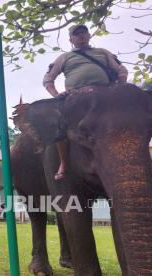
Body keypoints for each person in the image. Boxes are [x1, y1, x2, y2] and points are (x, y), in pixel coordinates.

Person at [43, 24, 128, 180]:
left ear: (89, 35)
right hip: (76, 96)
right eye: (77, 35)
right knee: (57, 123)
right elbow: (48, 80)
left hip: (105, 94)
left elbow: (121, 70)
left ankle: (142, 154)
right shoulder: (64, 57)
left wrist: (119, 87)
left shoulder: (102, 52)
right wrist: (57, 94)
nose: (81, 36)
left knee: (135, 116)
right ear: (71, 40)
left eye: (84, 33)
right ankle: (64, 162)